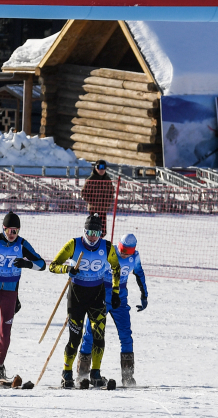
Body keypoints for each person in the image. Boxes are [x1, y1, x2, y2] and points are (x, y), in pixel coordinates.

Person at [49, 213, 121, 389]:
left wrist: (116, 291)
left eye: (96, 233)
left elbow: (116, 267)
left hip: (97, 296)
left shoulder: (107, 247)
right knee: (75, 337)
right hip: (77, 296)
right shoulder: (74, 244)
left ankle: (95, 373)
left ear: (101, 233)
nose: (92, 236)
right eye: (89, 232)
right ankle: (67, 373)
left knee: (99, 335)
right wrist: (67, 269)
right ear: (84, 230)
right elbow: (53, 265)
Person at [0, 211, 45, 380]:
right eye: (9, 230)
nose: (12, 234)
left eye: (16, 231)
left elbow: (41, 264)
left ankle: (0, 365)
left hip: (10, 292)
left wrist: (27, 264)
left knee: (6, 329)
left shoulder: (21, 243)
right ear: (3, 229)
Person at [78, 233, 149, 387]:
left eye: (127, 252)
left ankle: (128, 377)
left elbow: (140, 275)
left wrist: (144, 296)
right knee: (91, 334)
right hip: (100, 296)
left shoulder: (134, 258)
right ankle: (82, 375)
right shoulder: (109, 251)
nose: (123, 254)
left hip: (120, 301)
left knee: (126, 336)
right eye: (122, 250)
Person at [81, 160, 114, 236]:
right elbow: (84, 192)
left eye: (103, 167)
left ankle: (100, 244)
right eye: (99, 167)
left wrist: (108, 203)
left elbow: (111, 192)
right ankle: (92, 244)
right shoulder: (91, 179)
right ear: (96, 168)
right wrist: (92, 202)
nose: (101, 170)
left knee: (103, 231)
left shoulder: (107, 179)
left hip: (103, 209)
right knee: (93, 230)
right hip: (94, 209)